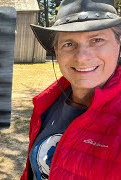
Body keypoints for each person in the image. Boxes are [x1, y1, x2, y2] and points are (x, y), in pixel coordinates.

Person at [21, 0, 121, 179]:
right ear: (56, 52)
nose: (82, 57)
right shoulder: (48, 104)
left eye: (97, 40)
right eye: (68, 44)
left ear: (118, 44)